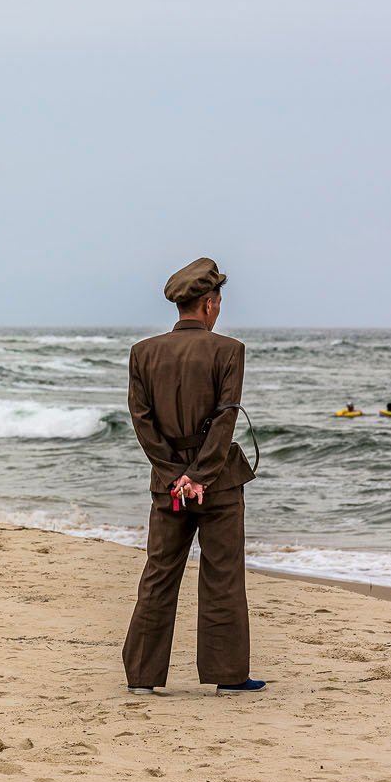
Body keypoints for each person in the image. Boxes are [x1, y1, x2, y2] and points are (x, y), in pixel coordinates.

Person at [123, 258, 262, 696]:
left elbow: (142, 422)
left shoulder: (143, 352)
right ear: (207, 304)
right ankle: (228, 676)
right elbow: (224, 423)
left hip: (168, 485)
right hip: (217, 482)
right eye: (217, 301)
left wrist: (172, 475)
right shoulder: (229, 350)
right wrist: (199, 475)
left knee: (159, 574)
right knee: (222, 574)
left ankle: (142, 678)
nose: (218, 309)